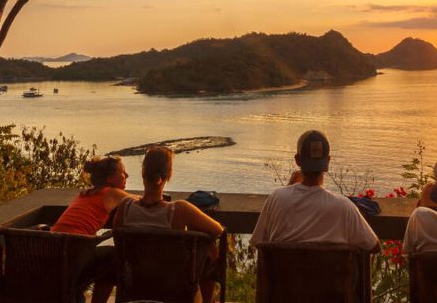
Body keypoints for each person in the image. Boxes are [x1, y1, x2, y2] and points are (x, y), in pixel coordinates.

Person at [114, 146, 224, 303]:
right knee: (207, 254)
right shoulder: (178, 209)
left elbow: (118, 238)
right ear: (168, 175)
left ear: (143, 173)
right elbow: (218, 229)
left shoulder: (125, 206)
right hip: (175, 293)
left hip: (135, 288)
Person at [250, 130, 380, 252]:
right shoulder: (344, 207)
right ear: (328, 161)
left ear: (297, 160)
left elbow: (258, 242)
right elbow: (374, 246)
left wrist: (290, 186)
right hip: (328, 276)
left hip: (282, 276)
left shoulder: (276, 198)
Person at [51, 155, 135, 303]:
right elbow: (145, 202)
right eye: (123, 172)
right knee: (114, 258)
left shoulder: (86, 193)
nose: (127, 175)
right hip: (76, 252)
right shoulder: (112, 193)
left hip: (54, 249)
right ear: (109, 179)